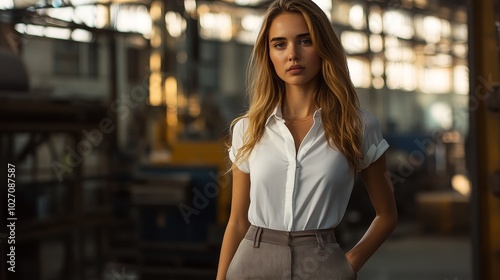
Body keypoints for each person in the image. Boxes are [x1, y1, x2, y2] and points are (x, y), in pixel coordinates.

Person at [216, 0, 398, 279]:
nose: (293, 54)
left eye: (305, 41)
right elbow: (238, 222)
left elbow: (387, 215)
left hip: (322, 262)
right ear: (269, 54)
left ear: (324, 47)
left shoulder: (358, 126)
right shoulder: (248, 129)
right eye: (280, 44)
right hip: (252, 262)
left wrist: (348, 264)